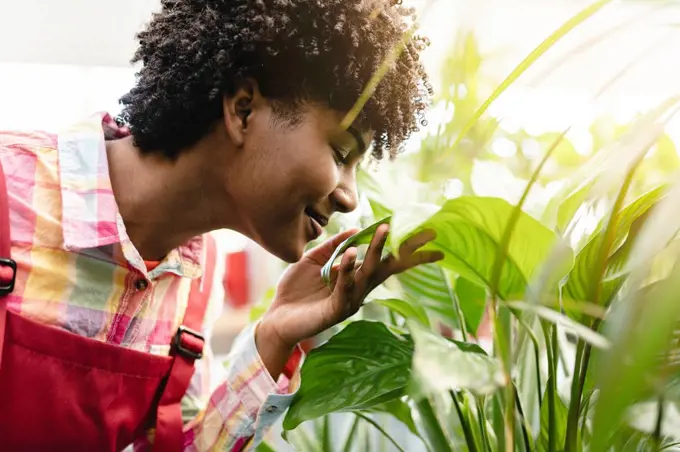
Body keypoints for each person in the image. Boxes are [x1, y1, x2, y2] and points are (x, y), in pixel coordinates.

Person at [0, 0, 441, 450]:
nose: (349, 197)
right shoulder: (9, 197)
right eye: (341, 153)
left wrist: (275, 335)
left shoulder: (196, 280)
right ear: (244, 108)